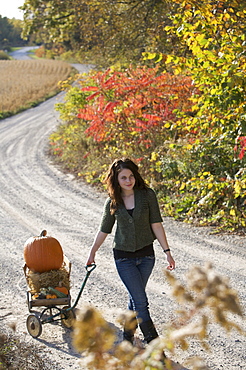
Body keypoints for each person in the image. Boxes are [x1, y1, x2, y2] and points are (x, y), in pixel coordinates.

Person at [86, 158, 175, 345]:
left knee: (136, 297)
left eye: (131, 176)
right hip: (124, 258)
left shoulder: (147, 195)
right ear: (116, 180)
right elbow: (104, 230)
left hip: (146, 257)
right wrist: (92, 252)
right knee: (141, 302)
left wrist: (167, 251)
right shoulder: (112, 202)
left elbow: (156, 225)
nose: (128, 181)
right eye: (123, 178)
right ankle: (155, 346)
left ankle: (127, 338)